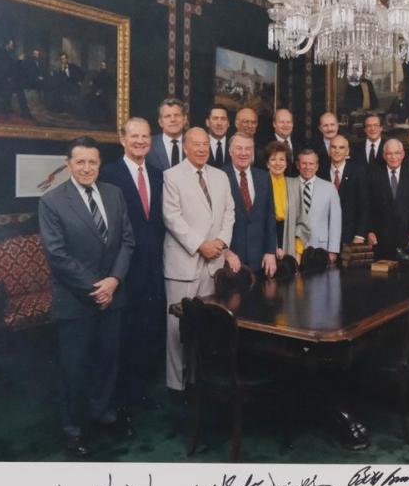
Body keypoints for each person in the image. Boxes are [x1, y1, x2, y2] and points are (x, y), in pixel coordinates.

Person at [38, 136, 134, 455]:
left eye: (92, 162)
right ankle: (74, 429)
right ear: (68, 164)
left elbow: (127, 243)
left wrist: (114, 281)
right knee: (75, 368)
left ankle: (103, 415)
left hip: (113, 296)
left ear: (99, 164)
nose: (86, 168)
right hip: (77, 301)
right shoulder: (52, 201)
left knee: (108, 362)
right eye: (80, 162)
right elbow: (58, 255)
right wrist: (98, 287)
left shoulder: (114, 194)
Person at [162, 127, 239, 394]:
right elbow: (172, 218)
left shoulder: (220, 177)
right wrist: (200, 245)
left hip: (213, 263)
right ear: (185, 147)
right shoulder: (171, 176)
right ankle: (176, 386)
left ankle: (197, 381)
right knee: (177, 327)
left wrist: (221, 243)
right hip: (184, 262)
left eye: (205, 144)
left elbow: (230, 211)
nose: (202, 149)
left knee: (205, 327)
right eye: (195, 144)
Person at [99, 117, 166, 415]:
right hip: (123, 269)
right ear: (122, 139)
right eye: (134, 136)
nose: (140, 142)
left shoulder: (157, 174)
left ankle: (139, 395)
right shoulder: (108, 175)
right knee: (121, 338)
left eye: (145, 137)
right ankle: (119, 401)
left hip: (153, 269)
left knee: (146, 334)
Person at [224, 134, 278, 277]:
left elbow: (270, 217)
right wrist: (225, 252)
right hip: (231, 260)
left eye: (248, 149)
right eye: (239, 148)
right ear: (230, 151)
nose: (243, 153)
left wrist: (270, 251)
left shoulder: (264, 177)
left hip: (261, 260)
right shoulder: (220, 176)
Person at [366, 138, 409, 259]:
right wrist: (369, 231)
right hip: (380, 238)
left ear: (402, 154)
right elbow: (367, 206)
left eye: (397, 153)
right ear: (384, 155)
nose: (393, 157)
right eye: (389, 153)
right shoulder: (373, 175)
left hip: (407, 238)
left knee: (407, 276)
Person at [294, 149, 342, 261]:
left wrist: (333, 250)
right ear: (297, 165)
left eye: (311, 164)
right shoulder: (289, 185)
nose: (307, 167)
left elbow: (335, 221)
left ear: (317, 166)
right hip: (294, 249)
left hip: (321, 248)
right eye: (304, 163)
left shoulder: (329, 188)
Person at [328, 134, 368, 245]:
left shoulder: (358, 172)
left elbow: (364, 206)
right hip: (325, 236)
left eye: (341, 148)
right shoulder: (320, 171)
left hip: (350, 237)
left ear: (347, 151)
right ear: (329, 150)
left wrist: (360, 235)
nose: (337, 151)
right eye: (333, 147)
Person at [264, 140, 302, 260]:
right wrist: (272, 247)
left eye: (282, 159)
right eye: (273, 159)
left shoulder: (294, 185)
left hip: (289, 238)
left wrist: (297, 251)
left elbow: (301, 221)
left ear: (286, 163)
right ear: (267, 163)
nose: (277, 163)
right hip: (266, 241)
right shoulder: (260, 183)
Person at [146, 97, 187, 172]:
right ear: (160, 122)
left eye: (177, 115)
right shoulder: (148, 144)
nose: (173, 119)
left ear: (184, 119)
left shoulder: (194, 143)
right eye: (167, 116)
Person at [267, 106, 302, 175]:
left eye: (289, 122)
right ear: (274, 124)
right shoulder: (265, 144)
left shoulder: (300, 144)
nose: (286, 125)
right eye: (282, 122)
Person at [313, 111, 340, 179]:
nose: (329, 129)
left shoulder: (348, 145)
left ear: (337, 126)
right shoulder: (313, 148)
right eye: (325, 125)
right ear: (320, 128)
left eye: (332, 125)